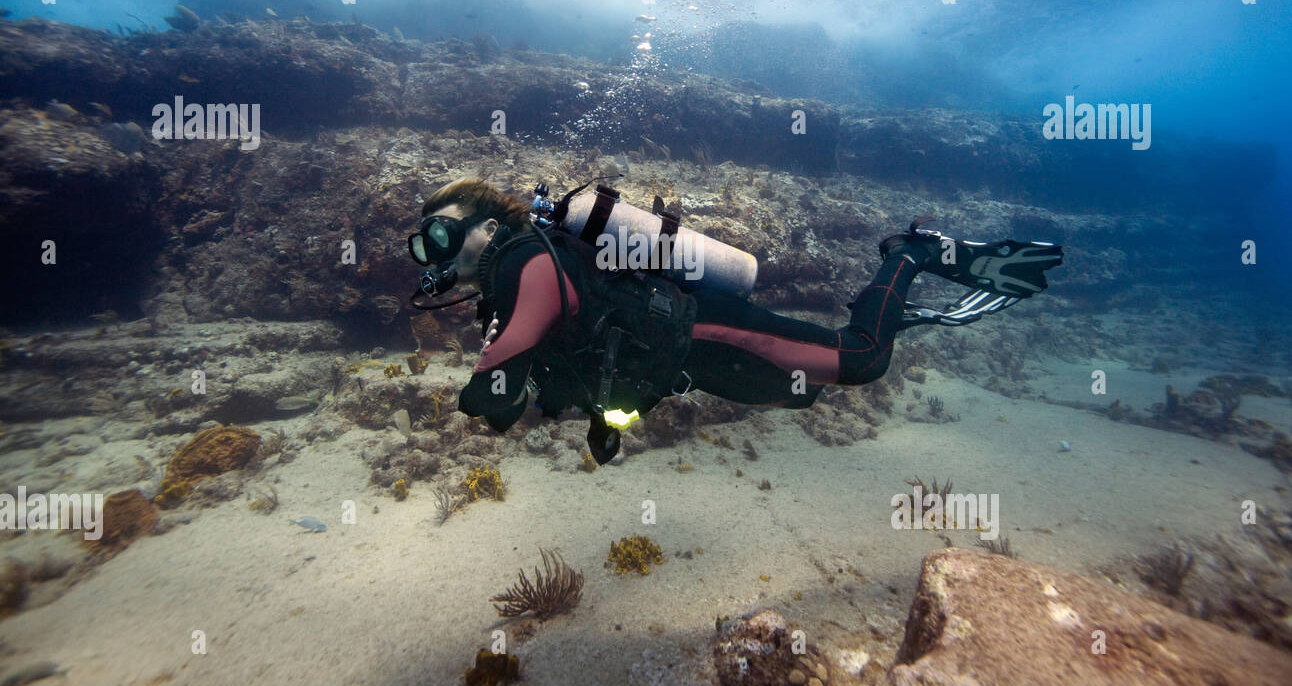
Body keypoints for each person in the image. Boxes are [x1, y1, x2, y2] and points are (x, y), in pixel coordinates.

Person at [407, 178, 1064, 463]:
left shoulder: (525, 260)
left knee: (862, 360)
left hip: (711, 331)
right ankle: (895, 309)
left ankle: (909, 254)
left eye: (437, 235)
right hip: (698, 364)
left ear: (488, 226)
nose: (432, 257)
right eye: (423, 247)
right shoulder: (511, 281)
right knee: (804, 391)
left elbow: (502, 383)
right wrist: (608, 421)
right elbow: (581, 355)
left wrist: (485, 386)